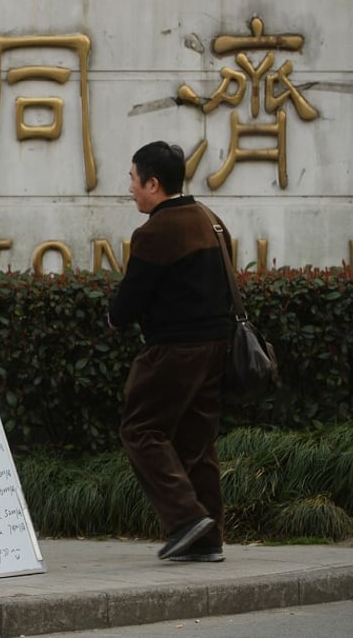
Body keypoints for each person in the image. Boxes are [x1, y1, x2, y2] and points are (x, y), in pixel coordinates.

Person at [108, 141, 233, 563]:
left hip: (174, 349)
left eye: (132, 179)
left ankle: (185, 518)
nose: (130, 188)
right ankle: (209, 538)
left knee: (140, 430)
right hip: (217, 346)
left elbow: (128, 302)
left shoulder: (158, 230)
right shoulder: (210, 220)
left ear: (153, 182)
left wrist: (113, 317)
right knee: (196, 442)